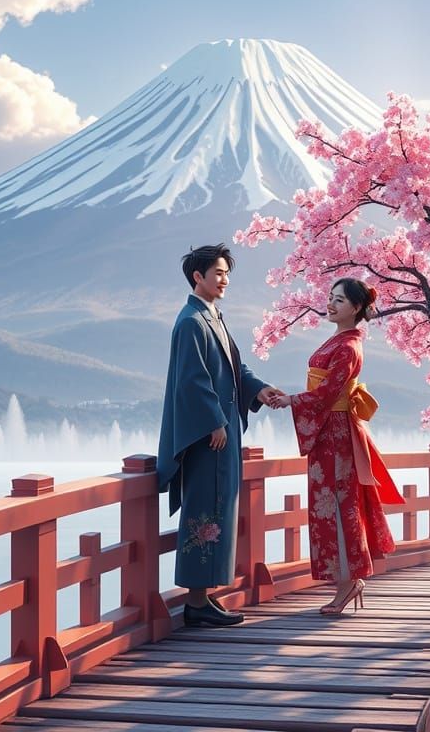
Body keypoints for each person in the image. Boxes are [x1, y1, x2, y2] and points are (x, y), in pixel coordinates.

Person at [157, 243, 279, 628]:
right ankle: (196, 601)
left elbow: (234, 368)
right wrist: (213, 422)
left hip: (221, 433)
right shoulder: (192, 322)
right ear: (199, 277)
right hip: (209, 435)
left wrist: (257, 389)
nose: (224, 280)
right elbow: (192, 381)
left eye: (227, 273)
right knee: (205, 508)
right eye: (218, 273)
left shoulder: (212, 317)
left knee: (218, 508)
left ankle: (204, 598)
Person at [270, 277, 404, 615]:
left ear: (356, 308)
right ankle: (347, 581)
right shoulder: (340, 340)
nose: (330, 304)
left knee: (339, 505)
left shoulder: (348, 346)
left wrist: (291, 400)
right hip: (330, 433)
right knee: (331, 503)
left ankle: (348, 582)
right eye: (330, 297)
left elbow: (330, 392)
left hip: (337, 434)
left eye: (339, 300)